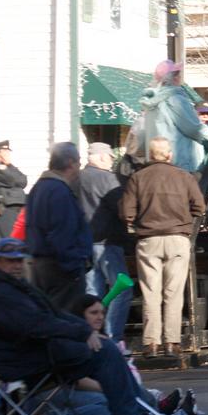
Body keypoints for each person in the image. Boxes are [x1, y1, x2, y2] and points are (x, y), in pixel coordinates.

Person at [0, 239, 168, 415]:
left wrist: (84, 330)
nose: (16, 266)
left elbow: (53, 314)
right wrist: (82, 333)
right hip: (24, 360)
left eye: (19, 261)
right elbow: (34, 325)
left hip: (37, 351)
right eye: (9, 261)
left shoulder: (14, 286)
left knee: (105, 349)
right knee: (105, 352)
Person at [120, 137, 205, 358]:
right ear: (170, 155)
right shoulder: (184, 177)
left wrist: (138, 220)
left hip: (148, 239)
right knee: (173, 293)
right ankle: (171, 342)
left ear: (150, 155)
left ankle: (151, 344)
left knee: (151, 293)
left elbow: (126, 213)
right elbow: (200, 207)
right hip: (177, 238)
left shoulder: (138, 178)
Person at [71, 294, 198, 415]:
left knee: (132, 389)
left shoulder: (101, 338)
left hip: (100, 386)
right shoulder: (76, 342)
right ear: (81, 315)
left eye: (102, 313)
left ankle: (162, 409)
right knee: (111, 399)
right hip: (74, 391)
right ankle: (160, 410)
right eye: (94, 313)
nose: (100, 317)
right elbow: (78, 380)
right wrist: (111, 386)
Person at [25, 142, 92, 310]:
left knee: (48, 314)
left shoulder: (39, 188)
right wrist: (74, 265)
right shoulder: (59, 191)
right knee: (65, 318)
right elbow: (62, 234)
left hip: (40, 265)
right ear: (70, 162)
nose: (80, 167)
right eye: (78, 162)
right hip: (60, 269)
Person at [77, 142, 132, 343]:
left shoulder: (76, 178)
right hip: (107, 243)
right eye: (110, 157)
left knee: (92, 293)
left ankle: (93, 335)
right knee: (122, 289)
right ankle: (111, 336)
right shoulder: (107, 178)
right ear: (100, 157)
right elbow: (121, 208)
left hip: (85, 244)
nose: (111, 161)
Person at [139, 60, 208, 173]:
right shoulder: (175, 99)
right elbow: (192, 127)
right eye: (177, 74)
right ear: (172, 78)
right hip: (180, 162)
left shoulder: (151, 102)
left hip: (157, 163)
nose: (179, 78)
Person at [0, 140, 28, 239]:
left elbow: (23, 181)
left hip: (16, 207)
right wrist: (9, 167)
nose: (8, 154)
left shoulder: (8, 166)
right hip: (5, 208)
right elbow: (12, 180)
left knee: (17, 241)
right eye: (6, 152)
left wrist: (10, 165)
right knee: (7, 242)